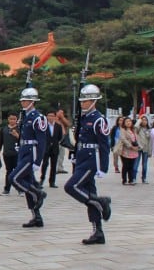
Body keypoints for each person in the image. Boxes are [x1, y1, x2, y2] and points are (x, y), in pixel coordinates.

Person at [64, 84, 112, 245]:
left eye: (85, 101)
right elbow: (79, 140)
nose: (82, 104)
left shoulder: (99, 120)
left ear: (93, 101)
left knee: (71, 186)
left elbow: (104, 145)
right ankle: (98, 231)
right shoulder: (84, 118)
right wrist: (74, 155)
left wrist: (103, 167)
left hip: (92, 160)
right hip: (82, 157)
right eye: (82, 101)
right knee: (89, 191)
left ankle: (99, 202)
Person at [9, 87, 48, 228]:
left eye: (25, 100)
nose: (23, 102)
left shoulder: (38, 118)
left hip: (31, 154)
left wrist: (38, 161)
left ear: (32, 101)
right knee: (28, 182)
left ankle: (38, 193)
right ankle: (36, 216)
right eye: (22, 100)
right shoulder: (25, 117)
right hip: (24, 151)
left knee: (14, 178)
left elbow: (42, 141)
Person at [0, 113, 20, 196]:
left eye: (14, 119)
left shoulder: (19, 128)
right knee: (8, 172)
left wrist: (17, 135)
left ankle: (20, 188)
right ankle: (7, 189)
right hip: (6, 153)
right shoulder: (4, 129)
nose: (12, 120)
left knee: (17, 172)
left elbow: (22, 141)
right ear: (8, 119)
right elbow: (0, 142)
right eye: (11, 119)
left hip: (17, 153)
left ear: (17, 120)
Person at [40, 110, 63, 188]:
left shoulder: (58, 126)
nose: (50, 117)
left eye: (52, 116)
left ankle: (52, 182)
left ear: (55, 117)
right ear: (46, 117)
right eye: (49, 115)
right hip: (46, 148)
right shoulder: (44, 126)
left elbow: (60, 137)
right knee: (45, 164)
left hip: (55, 149)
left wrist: (54, 143)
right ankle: (42, 179)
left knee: (53, 165)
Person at [119, 117, 139, 185]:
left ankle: (131, 180)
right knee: (125, 166)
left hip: (133, 151)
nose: (128, 122)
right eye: (127, 121)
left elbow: (136, 139)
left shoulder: (133, 130)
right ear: (124, 123)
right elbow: (123, 139)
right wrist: (131, 146)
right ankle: (124, 180)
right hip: (126, 150)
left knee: (131, 166)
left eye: (129, 121)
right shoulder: (123, 130)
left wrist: (137, 146)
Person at [134, 116, 151, 184]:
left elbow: (150, 141)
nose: (144, 121)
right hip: (139, 148)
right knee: (136, 164)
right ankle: (134, 178)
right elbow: (135, 127)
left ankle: (144, 178)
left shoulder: (149, 129)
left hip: (146, 149)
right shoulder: (138, 129)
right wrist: (139, 120)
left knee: (145, 165)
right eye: (143, 120)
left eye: (145, 120)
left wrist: (150, 151)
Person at [55, 109, 72, 174]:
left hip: (63, 138)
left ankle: (60, 168)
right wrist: (57, 117)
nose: (61, 114)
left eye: (62, 113)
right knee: (56, 154)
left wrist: (62, 117)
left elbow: (69, 124)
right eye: (60, 113)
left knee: (62, 154)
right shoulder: (54, 119)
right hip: (56, 139)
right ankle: (55, 168)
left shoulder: (63, 119)